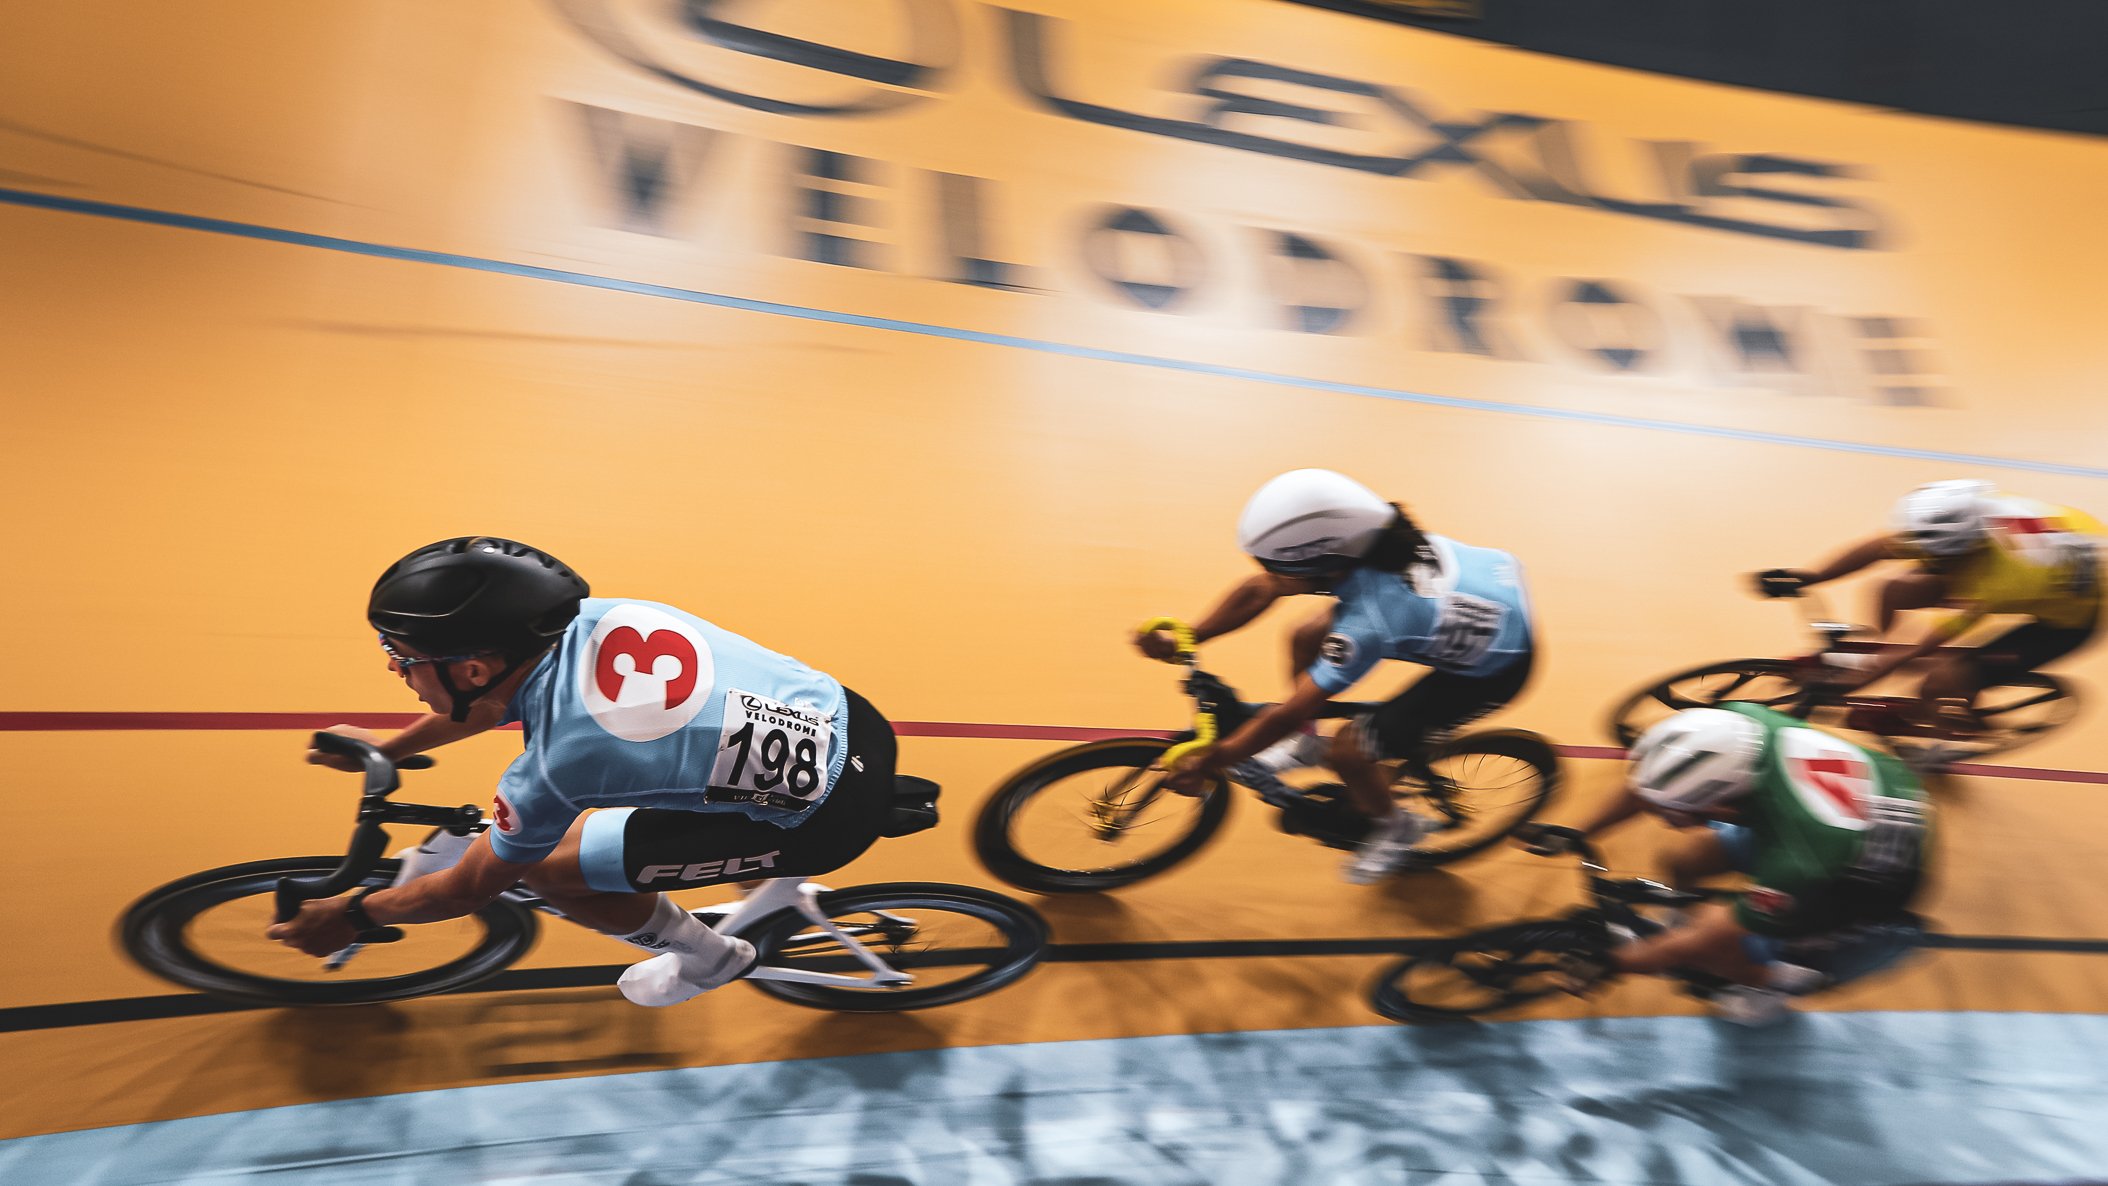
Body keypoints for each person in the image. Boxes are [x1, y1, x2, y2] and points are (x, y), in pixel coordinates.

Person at [266, 536, 903, 1007]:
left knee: (549, 872)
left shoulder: (558, 767)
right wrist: (391, 749)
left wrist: (354, 915)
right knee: (647, 797)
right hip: (853, 719)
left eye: (399, 654)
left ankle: (710, 959)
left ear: (474, 667)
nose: (391, 666)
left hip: (825, 818)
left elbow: (466, 890)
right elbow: (487, 701)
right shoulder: (584, 619)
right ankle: (740, 877)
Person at [1143, 469, 1535, 883]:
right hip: (1475, 600)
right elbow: (1263, 588)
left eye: (1278, 567)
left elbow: (1287, 714)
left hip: (1491, 670)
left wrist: (1214, 759)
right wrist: (1192, 635)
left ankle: (1398, 826)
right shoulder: (1369, 542)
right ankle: (1307, 743)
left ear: (1323, 563)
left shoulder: (1369, 624)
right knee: (1305, 635)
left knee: (1347, 751)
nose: (1270, 575)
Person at [1514, 703, 1931, 1025]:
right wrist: (1578, 832)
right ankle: (1686, 936)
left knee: (1716, 948)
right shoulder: (1735, 725)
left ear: (1720, 806)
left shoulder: (1798, 860)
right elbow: (1649, 786)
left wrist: (1613, 964)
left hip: (1858, 882)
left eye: (1669, 813)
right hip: (1832, 813)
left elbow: (1712, 936)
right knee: (1686, 860)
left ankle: (1771, 987)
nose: (1659, 817)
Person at [1756, 479, 2101, 734]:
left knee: (1938, 682)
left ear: (1959, 551)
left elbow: (1925, 641)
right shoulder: (1958, 520)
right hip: (2046, 562)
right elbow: (1878, 548)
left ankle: (1929, 725)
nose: (1916, 554)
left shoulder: (2003, 581)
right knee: (1893, 590)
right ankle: (1874, 652)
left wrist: (1868, 673)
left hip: (2067, 622)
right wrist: (1810, 577)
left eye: (1933, 557)